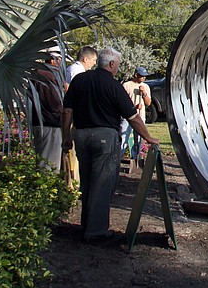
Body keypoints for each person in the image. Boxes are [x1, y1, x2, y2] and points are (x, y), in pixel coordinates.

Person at [61, 47, 160, 242]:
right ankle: (96, 231)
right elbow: (133, 117)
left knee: (87, 181)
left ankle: (86, 224)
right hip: (104, 137)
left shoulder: (80, 80)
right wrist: (148, 138)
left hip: (80, 134)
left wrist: (66, 137)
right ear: (112, 64)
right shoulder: (113, 85)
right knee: (102, 184)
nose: (118, 68)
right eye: (118, 65)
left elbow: (66, 111)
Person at [31, 50, 65, 173]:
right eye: (60, 60)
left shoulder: (35, 74)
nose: (61, 63)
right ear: (52, 60)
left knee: (41, 159)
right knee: (49, 165)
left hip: (38, 122)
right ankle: (44, 189)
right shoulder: (49, 76)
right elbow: (55, 104)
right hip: (50, 124)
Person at [122, 66, 152, 160]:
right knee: (123, 138)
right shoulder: (126, 85)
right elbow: (122, 103)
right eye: (142, 76)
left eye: (145, 76)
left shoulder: (145, 87)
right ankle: (118, 158)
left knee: (138, 139)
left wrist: (144, 93)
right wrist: (134, 107)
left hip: (140, 117)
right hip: (127, 117)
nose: (144, 78)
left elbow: (148, 103)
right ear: (136, 75)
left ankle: (137, 158)